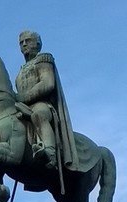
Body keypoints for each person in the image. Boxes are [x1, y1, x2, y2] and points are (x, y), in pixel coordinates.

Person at [15, 30, 80, 172]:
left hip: (42, 105)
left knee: (39, 114)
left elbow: (48, 83)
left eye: (28, 40)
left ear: (38, 44)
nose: (24, 44)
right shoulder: (20, 71)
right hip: (23, 107)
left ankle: (50, 152)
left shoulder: (43, 59)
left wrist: (23, 98)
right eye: (21, 42)